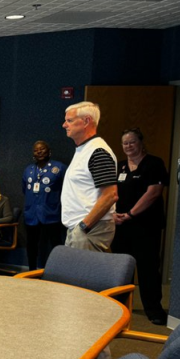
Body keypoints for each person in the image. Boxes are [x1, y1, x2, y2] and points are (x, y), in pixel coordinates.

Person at [112, 128, 169, 325]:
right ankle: (120, 307)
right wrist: (113, 213)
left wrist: (131, 214)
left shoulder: (154, 164)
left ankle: (153, 309)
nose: (128, 146)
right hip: (121, 225)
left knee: (148, 268)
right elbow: (110, 192)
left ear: (141, 143)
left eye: (132, 142)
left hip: (146, 225)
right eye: (125, 143)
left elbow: (153, 193)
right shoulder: (120, 166)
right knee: (122, 268)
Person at [61, 101, 118, 252]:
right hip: (81, 228)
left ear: (86, 121)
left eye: (69, 120)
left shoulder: (97, 152)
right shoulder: (84, 149)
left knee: (83, 269)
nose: (64, 125)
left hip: (89, 229)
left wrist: (83, 226)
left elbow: (110, 195)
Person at [22, 141, 66, 270]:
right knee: (31, 244)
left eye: (42, 149)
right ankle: (31, 270)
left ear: (49, 151)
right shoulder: (29, 170)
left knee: (56, 244)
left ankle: (59, 271)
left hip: (51, 212)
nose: (39, 152)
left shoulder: (59, 168)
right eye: (36, 150)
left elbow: (68, 189)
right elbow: (25, 189)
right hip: (32, 213)